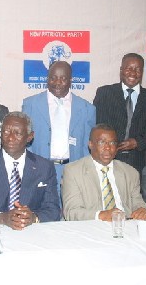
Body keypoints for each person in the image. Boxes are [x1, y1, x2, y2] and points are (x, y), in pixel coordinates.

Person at [0, 112, 60, 229]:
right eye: (6, 132)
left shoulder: (44, 167)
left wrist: (33, 217)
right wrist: (2, 218)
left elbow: (53, 210)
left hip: (31, 232)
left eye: (17, 133)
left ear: (30, 137)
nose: (10, 138)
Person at [22, 61, 95, 202]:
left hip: (73, 170)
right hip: (39, 170)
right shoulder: (30, 104)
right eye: (53, 77)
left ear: (71, 80)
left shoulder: (87, 108)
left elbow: (88, 147)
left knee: (72, 216)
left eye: (63, 78)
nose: (57, 82)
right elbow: (25, 143)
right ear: (47, 78)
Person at [93, 53, 146, 174]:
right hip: (107, 160)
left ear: (142, 72)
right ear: (121, 70)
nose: (133, 73)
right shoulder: (104, 93)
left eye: (138, 69)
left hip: (138, 162)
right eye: (129, 68)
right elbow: (95, 126)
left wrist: (137, 142)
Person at [61, 123, 146, 221]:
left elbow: (137, 202)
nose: (108, 147)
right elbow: (72, 212)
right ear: (90, 144)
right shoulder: (73, 171)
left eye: (112, 143)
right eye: (102, 142)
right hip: (91, 228)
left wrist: (142, 210)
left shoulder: (130, 172)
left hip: (125, 226)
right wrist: (101, 215)